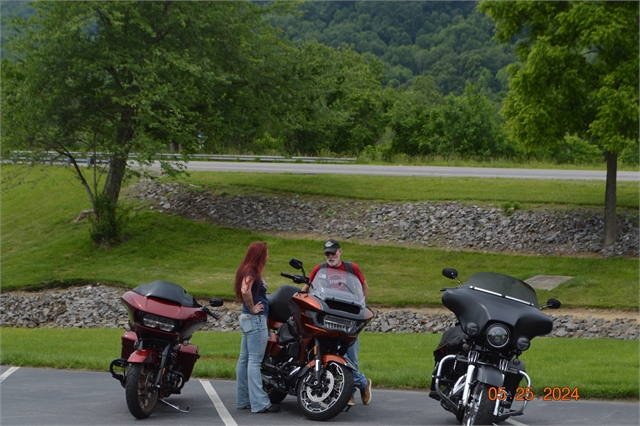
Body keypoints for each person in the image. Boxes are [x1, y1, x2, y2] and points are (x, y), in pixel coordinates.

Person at [302, 238, 372, 406]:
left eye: (333, 252)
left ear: (340, 251)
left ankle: (352, 389)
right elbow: (306, 287)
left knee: (351, 357)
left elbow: (364, 287)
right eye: (327, 253)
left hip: (349, 317)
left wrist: (362, 305)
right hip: (327, 316)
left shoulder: (351, 268)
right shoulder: (320, 269)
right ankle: (357, 386)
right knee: (331, 354)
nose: (330, 256)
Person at [234, 241, 281, 413]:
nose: (268, 257)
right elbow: (245, 289)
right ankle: (260, 403)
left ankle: (243, 399)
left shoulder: (245, 268)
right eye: (266, 253)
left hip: (246, 318)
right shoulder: (252, 270)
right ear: (260, 254)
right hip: (255, 319)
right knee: (254, 361)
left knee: (244, 359)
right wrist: (253, 307)